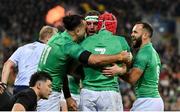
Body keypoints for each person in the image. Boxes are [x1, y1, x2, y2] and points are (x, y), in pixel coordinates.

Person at [37, 14, 131, 111]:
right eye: (85, 28)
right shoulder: (68, 46)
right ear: (77, 31)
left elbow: (62, 71)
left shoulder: (56, 37)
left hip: (42, 87)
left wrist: (68, 97)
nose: (87, 30)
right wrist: (120, 56)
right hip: (49, 92)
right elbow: (94, 60)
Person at [103, 22, 164, 111]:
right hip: (151, 101)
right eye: (132, 32)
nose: (132, 35)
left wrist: (118, 71)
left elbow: (132, 78)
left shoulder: (144, 53)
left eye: (135, 32)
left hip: (147, 102)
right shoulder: (152, 52)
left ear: (145, 35)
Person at [79, 12, 131, 111]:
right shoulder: (120, 41)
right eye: (89, 24)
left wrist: (121, 70)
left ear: (99, 24)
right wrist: (121, 65)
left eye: (94, 24)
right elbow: (129, 59)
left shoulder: (83, 43)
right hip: (109, 92)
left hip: (86, 91)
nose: (91, 27)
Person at [0, 26, 58, 95]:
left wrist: (3, 84)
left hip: (18, 88)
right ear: (49, 38)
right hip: (34, 88)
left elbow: (7, 64)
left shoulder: (22, 48)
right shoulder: (48, 50)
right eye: (55, 39)